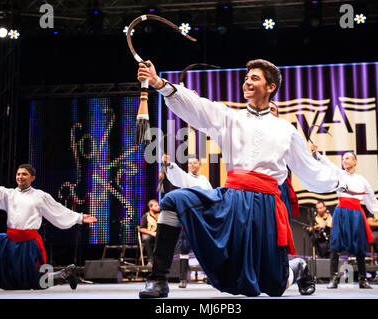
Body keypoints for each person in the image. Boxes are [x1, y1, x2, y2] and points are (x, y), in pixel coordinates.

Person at [137, 59, 349, 299]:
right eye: (246, 78)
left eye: (254, 78)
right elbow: (197, 106)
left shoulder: (286, 130)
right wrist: (158, 82)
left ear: (270, 87)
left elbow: (310, 170)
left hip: (267, 208)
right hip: (233, 200)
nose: (247, 81)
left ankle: (297, 268)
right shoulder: (229, 117)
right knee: (175, 200)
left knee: (273, 285)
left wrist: (341, 180)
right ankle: (158, 279)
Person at [0, 164, 97, 291]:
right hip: (9, 241)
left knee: (37, 282)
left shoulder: (40, 196)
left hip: (28, 245)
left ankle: (65, 273)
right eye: (18, 174)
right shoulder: (8, 195)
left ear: (32, 178)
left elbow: (57, 210)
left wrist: (79, 217)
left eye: (24, 174)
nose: (20, 177)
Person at [311, 145, 378, 289]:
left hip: (356, 214)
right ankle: (333, 279)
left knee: (359, 246)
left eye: (348, 158)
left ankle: (363, 279)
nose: (345, 161)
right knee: (335, 245)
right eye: (343, 159)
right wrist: (316, 153)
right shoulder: (339, 173)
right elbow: (326, 163)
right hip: (341, 212)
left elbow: (370, 198)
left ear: (355, 161)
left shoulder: (362, 179)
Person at [163, 153, 212, 288]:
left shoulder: (204, 179)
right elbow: (177, 173)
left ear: (200, 165)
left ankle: (210, 276)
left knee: (206, 248)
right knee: (184, 248)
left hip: (201, 217)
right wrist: (169, 164)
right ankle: (183, 279)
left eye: (194, 163)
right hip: (188, 216)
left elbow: (211, 195)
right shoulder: (185, 177)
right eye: (189, 163)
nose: (191, 165)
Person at [139, 199, 160, 267]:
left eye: (158, 205)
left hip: (159, 236)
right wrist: (152, 233)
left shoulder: (161, 215)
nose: (158, 207)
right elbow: (141, 229)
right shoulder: (146, 216)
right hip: (151, 235)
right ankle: (150, 260)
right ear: (150, 207)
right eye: (156, 206)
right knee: (146, 238)